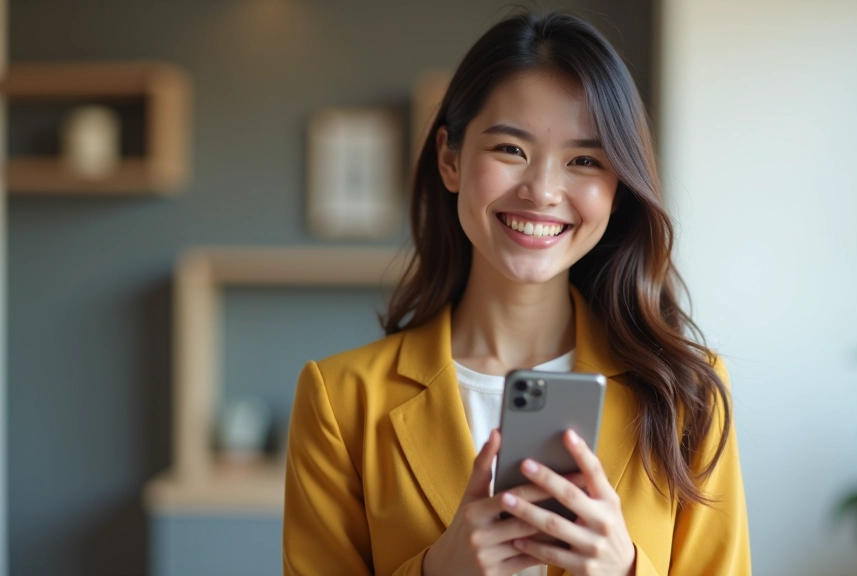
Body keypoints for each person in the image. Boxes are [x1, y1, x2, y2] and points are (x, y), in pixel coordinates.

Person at [283, 11, 750, 576]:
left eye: (584, 160)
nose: (543, 191)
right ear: (450, 159)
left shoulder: (686, 398)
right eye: (510, 149)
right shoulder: (341, 401)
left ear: (617, 188)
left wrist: (625, 570)